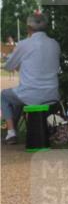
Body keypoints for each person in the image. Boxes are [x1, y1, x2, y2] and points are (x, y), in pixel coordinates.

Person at [2, 12, 61, 145]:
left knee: (4, 96)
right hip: (52, 95)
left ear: (28, 28)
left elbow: (9, 66)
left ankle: (11, 133)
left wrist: (17, 63)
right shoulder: (55, 44)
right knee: (18, 96)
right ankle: (14, 131)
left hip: (30, 95)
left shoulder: (24, 44)